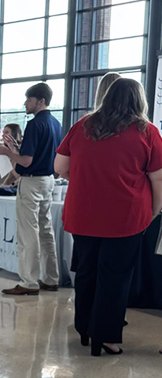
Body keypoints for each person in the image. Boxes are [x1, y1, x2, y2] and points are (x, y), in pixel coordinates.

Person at [55, 78, 162, 356]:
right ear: (139, 101)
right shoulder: (147, 132)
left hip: (83, 213)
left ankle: (84, 329)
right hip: (126, 215)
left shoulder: (83, 126)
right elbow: (158, 178)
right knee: (115, 277)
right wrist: (153, 211)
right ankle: (105, 336)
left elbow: (60, 167)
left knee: (87, 271)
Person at [0, 82, 63, 295]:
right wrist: (15, 148)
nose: (25, 103)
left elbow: (25, 161)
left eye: (29, 99)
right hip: (48, 180)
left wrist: (7, 153)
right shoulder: (55, 123)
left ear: (40, 101)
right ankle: (51, 278)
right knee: (45, 231)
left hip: (32, 181)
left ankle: (28, 282)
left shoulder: (35, 124)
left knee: (28, 233)